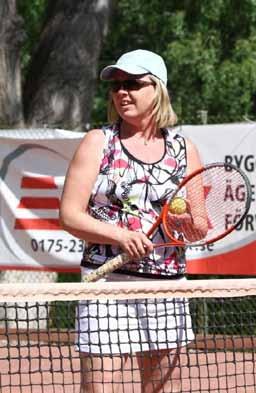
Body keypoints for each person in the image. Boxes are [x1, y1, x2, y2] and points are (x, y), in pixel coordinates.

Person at [60, 49, 205, 393]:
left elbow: (199, 226)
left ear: (158, 89)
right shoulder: (99, 142)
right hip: (106, 286)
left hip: (166, 287)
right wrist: (119, 235)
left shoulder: (185, 150)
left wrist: (185, 221)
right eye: (116, 86)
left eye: (133, 84)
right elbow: (69, 215)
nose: (122, 92)